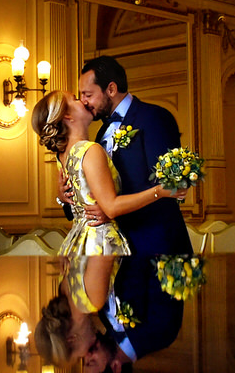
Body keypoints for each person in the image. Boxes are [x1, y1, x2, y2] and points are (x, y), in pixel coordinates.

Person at [31, 89, 182, 256]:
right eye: (75, 99)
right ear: (67, 116)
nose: (84, 101)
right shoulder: (90, 150)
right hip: (100, 242)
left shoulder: (62, 156)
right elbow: (111, 207)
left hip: (78, 241)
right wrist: (159, 192)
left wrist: (61, 198)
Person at [76, 55, 194, 256]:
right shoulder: (101, 133)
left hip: (157, 245)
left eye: (87, 94)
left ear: (111, 89)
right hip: (120, 248)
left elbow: (169, 187)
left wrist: (112, 210)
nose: (83, 102)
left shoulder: (155, 118)